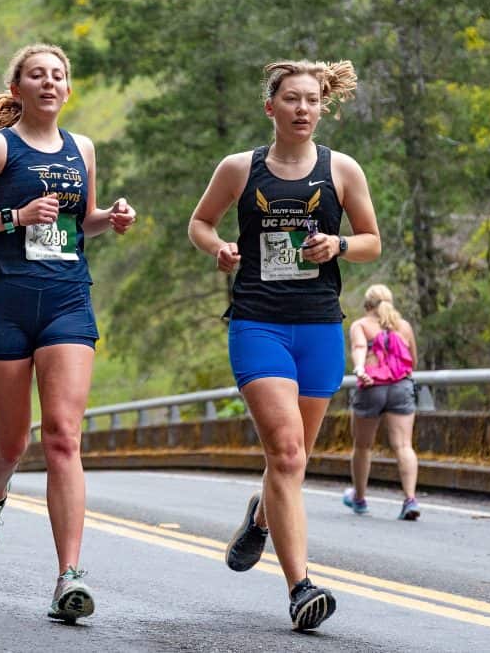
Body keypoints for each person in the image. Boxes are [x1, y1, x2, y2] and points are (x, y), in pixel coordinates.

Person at [0, 44, 136, 623]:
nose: (49, 83)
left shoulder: (82, 149)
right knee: (14, 442)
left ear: (69, 89)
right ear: (17, 88)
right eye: (37, 75)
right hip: (3, 305)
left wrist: (110, 219)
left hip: (67, 301)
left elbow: (81, 219)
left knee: (64, 437)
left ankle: (68, 575)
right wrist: (13, 218)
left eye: (58, 76)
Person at [188, 59, 380, 632]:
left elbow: (372, 240)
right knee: (289, 454)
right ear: (270, 107)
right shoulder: (239, 169)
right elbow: (200, 222)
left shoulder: (341, 170)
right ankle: (301, 589)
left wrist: (339, 246)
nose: (302, 109)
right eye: (291, 99)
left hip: (319, 327)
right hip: (258, 324)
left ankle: (261, 515)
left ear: (323, 109)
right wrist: (218, 248)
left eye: (312, 100)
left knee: (291, 463)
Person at [344, 284, 420, 520]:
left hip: (371, 387)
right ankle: (410, 500)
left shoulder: (361, 325)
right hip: (401, 387)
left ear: (367, 305)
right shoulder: (404, 326)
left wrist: (359, 368)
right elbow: (413, 361)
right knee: (404, 446)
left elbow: (358, 348)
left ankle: (359, 498)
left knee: (363, 446)